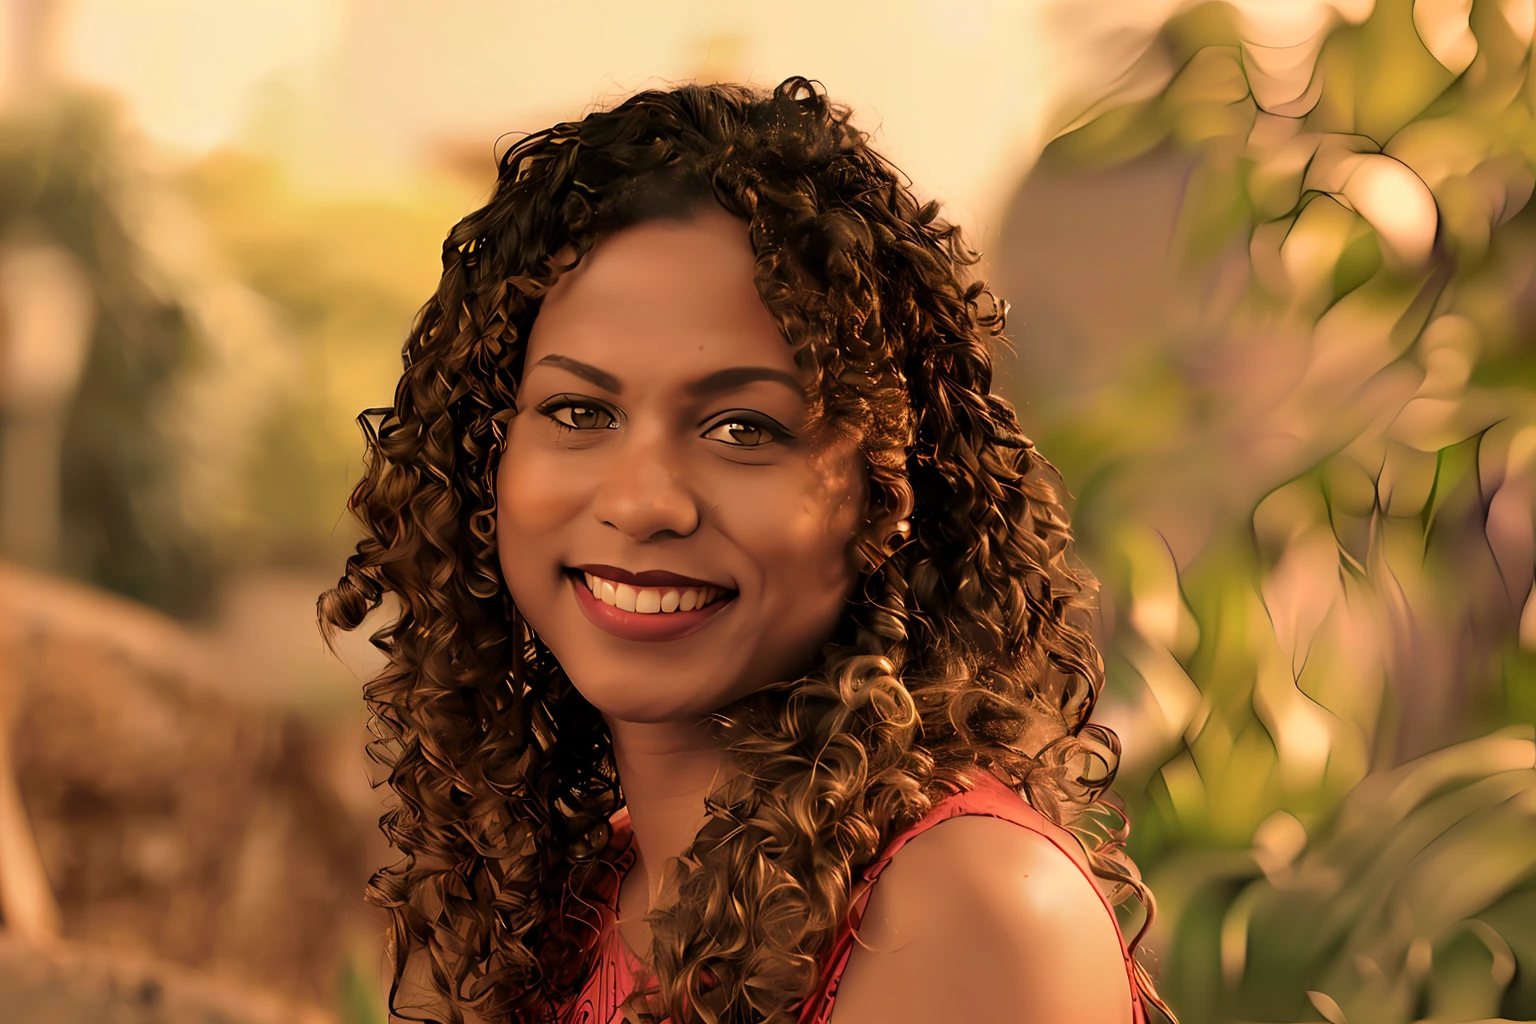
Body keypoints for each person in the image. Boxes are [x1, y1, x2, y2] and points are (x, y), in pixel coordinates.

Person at [320, 76, 1172, 1024]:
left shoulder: (962, 909)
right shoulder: (578, 901)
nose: (643, 502)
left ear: (889, 487)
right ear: (488, 462)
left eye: (742, 428)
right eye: (579, 411)